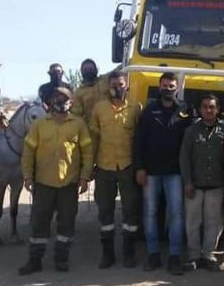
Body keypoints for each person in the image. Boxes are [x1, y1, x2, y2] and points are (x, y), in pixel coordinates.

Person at [18, 86, 92, 274]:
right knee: (39, 222)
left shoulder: (79, 125)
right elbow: (28, 152)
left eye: (65, 98)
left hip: (69, 184)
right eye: (57, 98)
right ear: (50, 102)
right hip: (43, 183)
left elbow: (87, 153)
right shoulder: (39, 125)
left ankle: (61, 259)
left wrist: (84, 177)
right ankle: (35, 261)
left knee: (66, 222)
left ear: (71, 102)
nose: (61, 101)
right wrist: (27, 176)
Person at [134, 72, 194, 275]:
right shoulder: (149, 111)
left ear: (177, 88)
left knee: (177, 214)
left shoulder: (186, 110)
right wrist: (140, 168)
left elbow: (196, 133)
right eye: (165, 85)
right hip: (151, 171)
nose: (168, 88)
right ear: (159, 87)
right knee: (149, 213)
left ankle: (175, 256)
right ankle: (153, 254)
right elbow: (139, 141)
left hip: (175, 172)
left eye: (171, 85)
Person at [90, 70, 143, 269]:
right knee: (105, 211)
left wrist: (140, 167)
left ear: (126, 85)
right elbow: (93, 140)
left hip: (128, 167)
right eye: (113, 85)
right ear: (108, 86)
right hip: (104, 167)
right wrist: (89, 169)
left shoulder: (135, 108)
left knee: (130, 211)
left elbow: (139, 141)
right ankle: (108, 254)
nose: (117, 88)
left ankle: (128, 254)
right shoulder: (99, 109)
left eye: (120, 85)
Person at [179, 93, 224, 272]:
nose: (208, 110)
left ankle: (208, 254)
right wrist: (187, 182)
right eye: (205, 106)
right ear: (200, 109)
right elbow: (184, 158)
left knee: (213, 222)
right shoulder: (191, 131)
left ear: (217, 109)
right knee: (192, 221)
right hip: (195, 185)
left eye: (212, 107)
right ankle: (193, 255)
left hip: (216, 185)